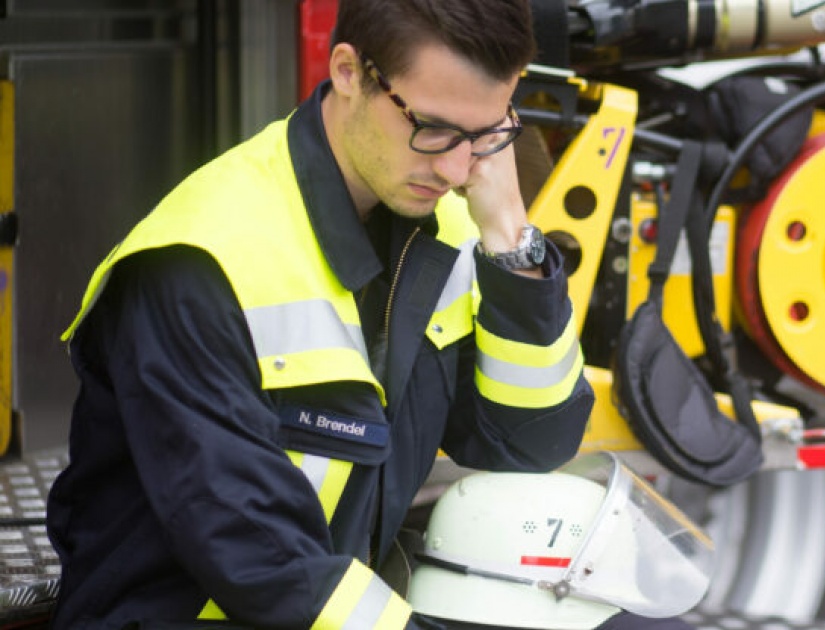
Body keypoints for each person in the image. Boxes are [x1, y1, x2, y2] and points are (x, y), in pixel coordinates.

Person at [46, 0, 596, 627]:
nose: (454, 168)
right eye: (434, 128)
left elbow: (530, 444)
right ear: (349, 72)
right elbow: (265, 560)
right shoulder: (201, 262)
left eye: (484, 137)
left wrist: (510, 235)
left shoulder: (449, 223)